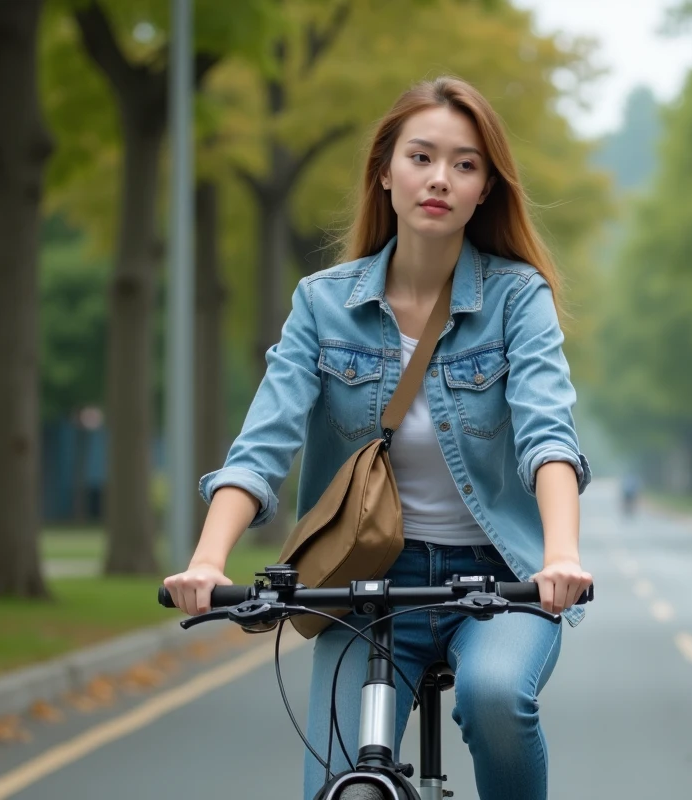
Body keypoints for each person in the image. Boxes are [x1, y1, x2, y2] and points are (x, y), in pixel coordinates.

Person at [162, 76, 593, 800]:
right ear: (384, 170)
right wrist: (208, 561)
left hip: (498, 582)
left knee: (494, 699)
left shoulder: (519, 298)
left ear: (485, 189)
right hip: (365, 587)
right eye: (421, 157)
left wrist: (561, 555)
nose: (440, 179)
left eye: (465, 165)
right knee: (335, 774)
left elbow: (548, 435)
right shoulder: (322, 303)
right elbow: (263, 444)